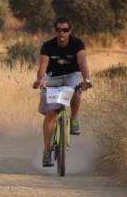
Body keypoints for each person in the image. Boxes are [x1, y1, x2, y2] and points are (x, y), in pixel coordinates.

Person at [33, 17, 91, 167]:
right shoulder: (48, 46)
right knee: (51, 113)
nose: (62, 33)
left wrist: (87, 80)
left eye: (65, 30)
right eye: (59, 30)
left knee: (77, 89)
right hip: (52, 77)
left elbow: (82, 62)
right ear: (55, 31)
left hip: (72, 75)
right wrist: (41, 80)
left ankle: (74, 119)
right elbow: (42, 67)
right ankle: (46, 152)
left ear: (70, 31)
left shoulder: (77, 44)